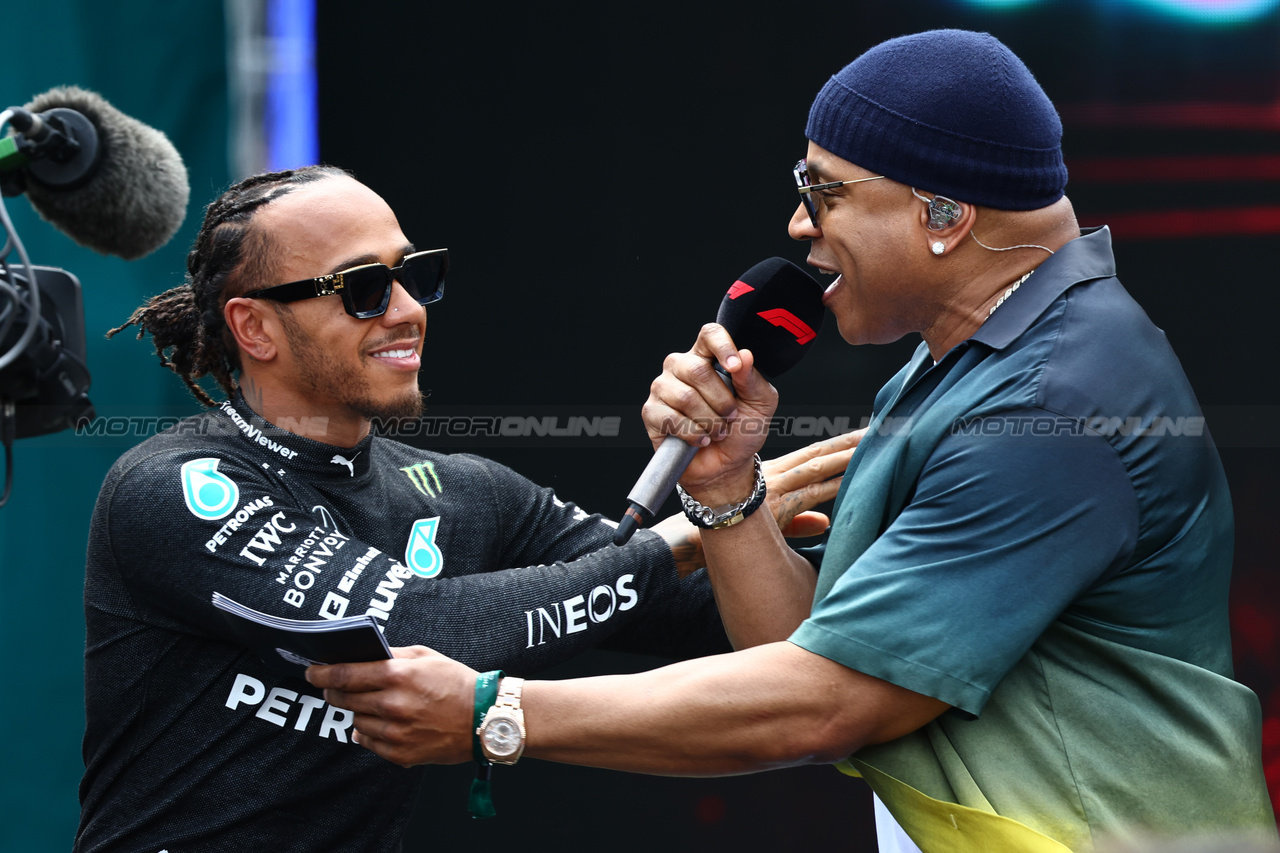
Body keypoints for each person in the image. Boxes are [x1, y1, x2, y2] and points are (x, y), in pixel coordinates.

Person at [308, 29, 1278, 853]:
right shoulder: (968, 361)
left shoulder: (1055, 401)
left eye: (823, 191)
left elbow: (828, 702)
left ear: (943, 216)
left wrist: (499, 713)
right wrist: (728, 493)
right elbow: (814, 659)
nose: (795, 222)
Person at [74, 165, 856, 853]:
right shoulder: (177, 483)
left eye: (417, 274)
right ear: (254, 325)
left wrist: (733, 506)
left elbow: (711, 618)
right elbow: (413, 629)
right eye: (364, 289)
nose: (409, 309)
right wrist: (676, 541)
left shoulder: (460, 491)